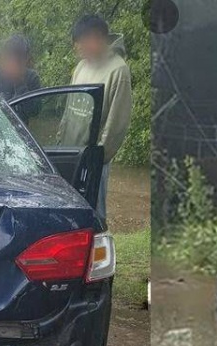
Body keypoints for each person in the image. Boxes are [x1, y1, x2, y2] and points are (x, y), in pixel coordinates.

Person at [59, 15, 133, 218]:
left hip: (94, 158)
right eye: (77, 43)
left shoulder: (118, 70)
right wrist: (61, 144)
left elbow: (117, 123)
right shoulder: (82, 66)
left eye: (82, 41)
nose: (78, 48)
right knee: (70, 211)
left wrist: (98, 159)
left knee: (94, 213)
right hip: (70, 153)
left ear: (98, 38)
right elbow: (69, 108)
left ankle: (100, 249)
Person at [0, 35, 42, 121]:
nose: (14, 62)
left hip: (19, 133)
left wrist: (19, 82)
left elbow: (34, 112)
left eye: (19, 58)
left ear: (26, 58)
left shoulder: (32, 77)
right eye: (10, 56)